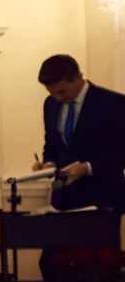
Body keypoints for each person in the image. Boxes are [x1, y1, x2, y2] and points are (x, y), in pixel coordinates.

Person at [40, 54, 125, 211]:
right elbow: (51, 144)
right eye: (52, 93)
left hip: (104, 198)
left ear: (79, 77)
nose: (57, 98)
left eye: (62, 91)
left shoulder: (114, 103)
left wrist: (88, 167)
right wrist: (48, 163)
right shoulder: (50, 104)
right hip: (63, 200)